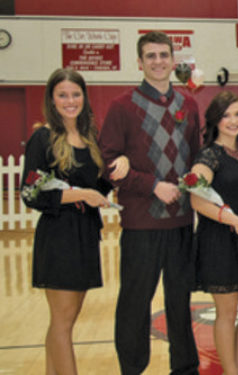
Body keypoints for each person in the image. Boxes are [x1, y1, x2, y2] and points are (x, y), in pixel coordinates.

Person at [98, 30, 202, 375]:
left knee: (179, 303)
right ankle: (132, 369)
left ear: (174, 61)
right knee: (134, 303)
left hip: (182, 223)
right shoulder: (121, 106)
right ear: (139, 62)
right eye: (151, 56)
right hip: (141, 224)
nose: (158, 62)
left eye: (163, 55)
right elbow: (109, 164)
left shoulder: (188, 104)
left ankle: (184, 368)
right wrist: (152, 185)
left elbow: (196, 159)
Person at [21, 68, 126, 375]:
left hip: (85, 236)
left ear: (84, 97)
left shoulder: (91, 136)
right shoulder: (42, 139)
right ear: (52, 100)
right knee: (63, 321)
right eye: (63, 95)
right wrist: (79, 195)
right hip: (58, 237)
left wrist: (118, 169)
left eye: (76, 94)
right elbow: (30, 194)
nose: (70, 101)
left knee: (64, 321)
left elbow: (98, 188)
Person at [190, 91, 238, 375]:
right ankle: (231, 372)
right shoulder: (209, 155)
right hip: (219, 239)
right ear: (215, 122)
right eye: (225, 116)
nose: (233, 120)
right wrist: (230, 219)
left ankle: (237, 367)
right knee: (227, 312)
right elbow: (197, 199)